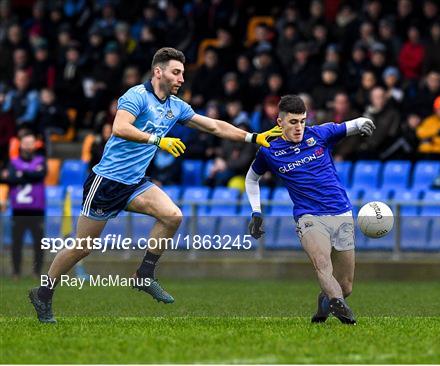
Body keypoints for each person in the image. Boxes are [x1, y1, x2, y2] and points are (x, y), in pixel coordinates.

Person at [29, 47, 282, 323]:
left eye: (183, 73)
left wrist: (253, 137)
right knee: (83, 247)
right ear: (158, 71)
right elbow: (120, 128)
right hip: (106, 183)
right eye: (176, 72)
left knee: (172, 215)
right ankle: (43, 293)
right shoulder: (136, 96)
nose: (181, 79)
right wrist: (158, 140)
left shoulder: (176, 106)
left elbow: (213, 126)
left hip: (135, 183)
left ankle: (144, 274)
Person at [244, 95, 375, 324]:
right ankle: (340, 308)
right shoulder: (269, 150)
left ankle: (327, 303)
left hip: (341, 212)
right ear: (280, 122)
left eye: (302, 121)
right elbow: (251, 179)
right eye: (293, 122)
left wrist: (363, 122)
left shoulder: (319, 134)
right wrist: (256, 211)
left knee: (346, 286)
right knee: (322, 263)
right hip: (308, 216)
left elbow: (349, 126)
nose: (299, 127)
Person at [0, 131, 46, 280]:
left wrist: (20, 174)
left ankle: (36, 272)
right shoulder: (13, 162)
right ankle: (16, 272)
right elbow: (8, 179)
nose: (28, 146)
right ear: (21, 144)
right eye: (25, 143)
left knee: (39, 243)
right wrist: (29, 173)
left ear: (35, 144)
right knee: (16, 243)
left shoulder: (40, 160)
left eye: (30, 143)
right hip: (18, 210)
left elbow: (40, 175)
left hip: (36, 210)